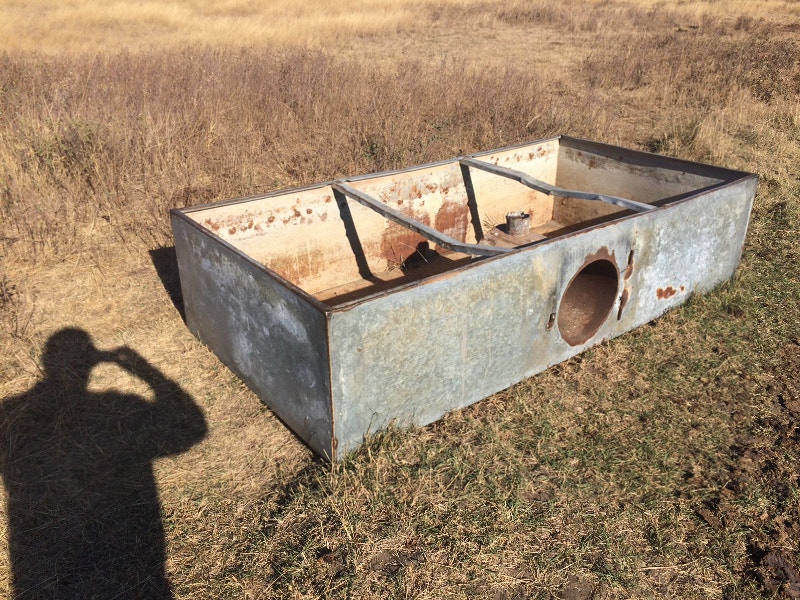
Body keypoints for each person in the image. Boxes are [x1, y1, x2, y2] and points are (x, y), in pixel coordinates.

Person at [0, 328, 207, 599]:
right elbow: (191, 430)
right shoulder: (118, 405)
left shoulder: (10, 413)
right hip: (135, 565)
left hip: (38, 573)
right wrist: (144, 370)